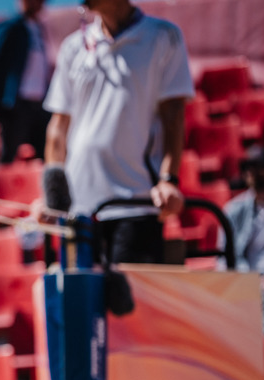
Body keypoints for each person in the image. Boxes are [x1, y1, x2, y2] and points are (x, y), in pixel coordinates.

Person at [41, 0, 194, 265]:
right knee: (83, 304)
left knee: (132, 306)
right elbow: (58, 128)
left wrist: (169, 179)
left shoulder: (163, 37)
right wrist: (54, 196)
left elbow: (173, 117)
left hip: (136, 202)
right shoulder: (73, 47)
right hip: (79, 211)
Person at [220, 146, 264, 330]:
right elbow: (223, 258)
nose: (254, 173)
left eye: (260, 167)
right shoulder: (234, 211)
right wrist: (247, 280)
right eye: (250, 168)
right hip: (246, 278)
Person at [0, 0, 53, 163]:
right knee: (7, 157)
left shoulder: (39, 30)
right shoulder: (11, 27)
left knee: (47, 154)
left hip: (40, 104)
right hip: (15, 106)